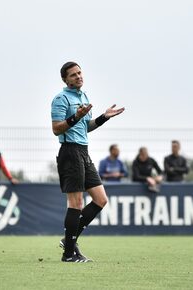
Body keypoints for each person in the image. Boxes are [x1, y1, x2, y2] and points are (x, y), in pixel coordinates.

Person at [51, 61, 125, 262]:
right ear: (65, 79)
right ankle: (68, 255)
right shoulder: (60, 99)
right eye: (73, 75)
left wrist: (103, 118)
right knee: (75, 203)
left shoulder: (84, 96)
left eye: (79, 73)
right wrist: (75, 117)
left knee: (101, 199)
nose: (78, 76)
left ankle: (69, 241)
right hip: (70, 152)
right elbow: (57, 129)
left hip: (83, 152)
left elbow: (85, 127)